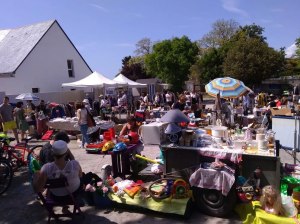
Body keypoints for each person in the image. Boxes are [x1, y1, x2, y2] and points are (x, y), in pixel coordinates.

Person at [33, 140, 83, 214]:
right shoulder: (74, 164)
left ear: (52, 152)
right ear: (66, 153)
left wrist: (34, 176)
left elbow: (37, 189)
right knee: (82, 178)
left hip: (56, 197)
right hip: (73, 194)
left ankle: (63, 208)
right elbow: (80, 175)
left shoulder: (46, 168)